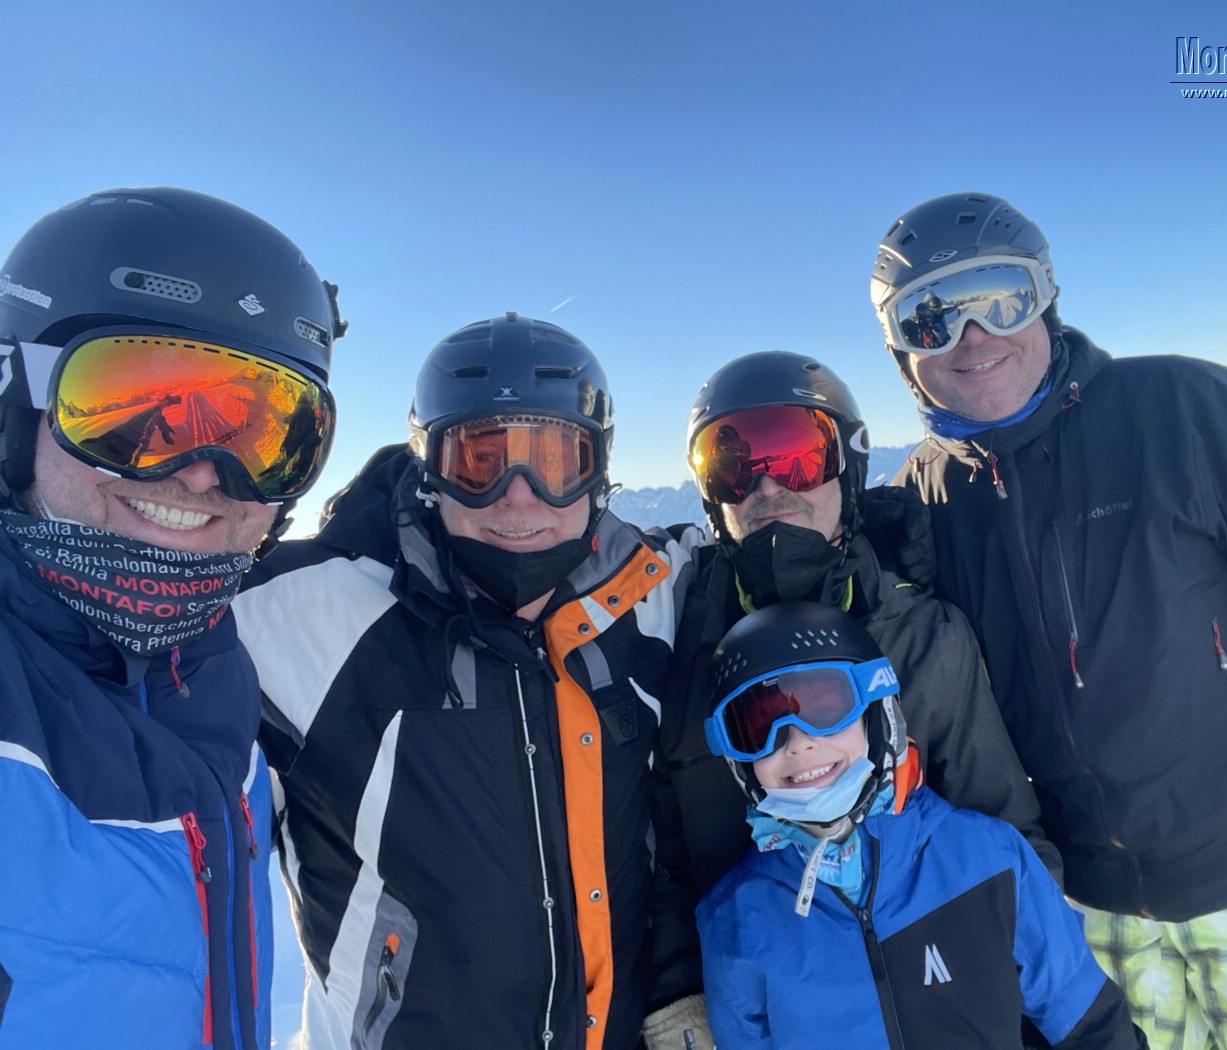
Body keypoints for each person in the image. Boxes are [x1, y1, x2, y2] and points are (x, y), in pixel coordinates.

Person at [869, 191, 1227, 1046]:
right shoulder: (921, 503)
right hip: (1092, 921)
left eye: (1000, 296)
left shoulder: (1180, 409)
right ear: (902, 352)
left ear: (1046, 297)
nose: (971, 336)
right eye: (930, 317)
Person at [234, 313, 707, 1050]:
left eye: (556, 461)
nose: (518, 498)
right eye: (479, 463)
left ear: (598, 472)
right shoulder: (301, 618)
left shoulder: (651, 594)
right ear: (429, 471)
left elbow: (770, 559)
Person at [0, 187, 344, 1049]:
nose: (200, 474)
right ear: (17, 406)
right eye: (135, 412)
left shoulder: (220, 678)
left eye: (261, 435)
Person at [657, 350, 1058, 904]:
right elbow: (665, 867)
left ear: (849, 469)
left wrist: (1030, 944)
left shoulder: (922, 638)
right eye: (734, 470)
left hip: (919, 942)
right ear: (710, 496)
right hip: (748, 951)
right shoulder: (676, 639)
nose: (767, 488)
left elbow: (1006, 833)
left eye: (799, 459)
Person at [697, 602, 1143, 1050]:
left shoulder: (988, 859)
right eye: (760, 728)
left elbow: (1091, 1023)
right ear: (738, 762)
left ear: (877, 714)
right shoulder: (736, 920)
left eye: (824, 707)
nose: (798, 743)